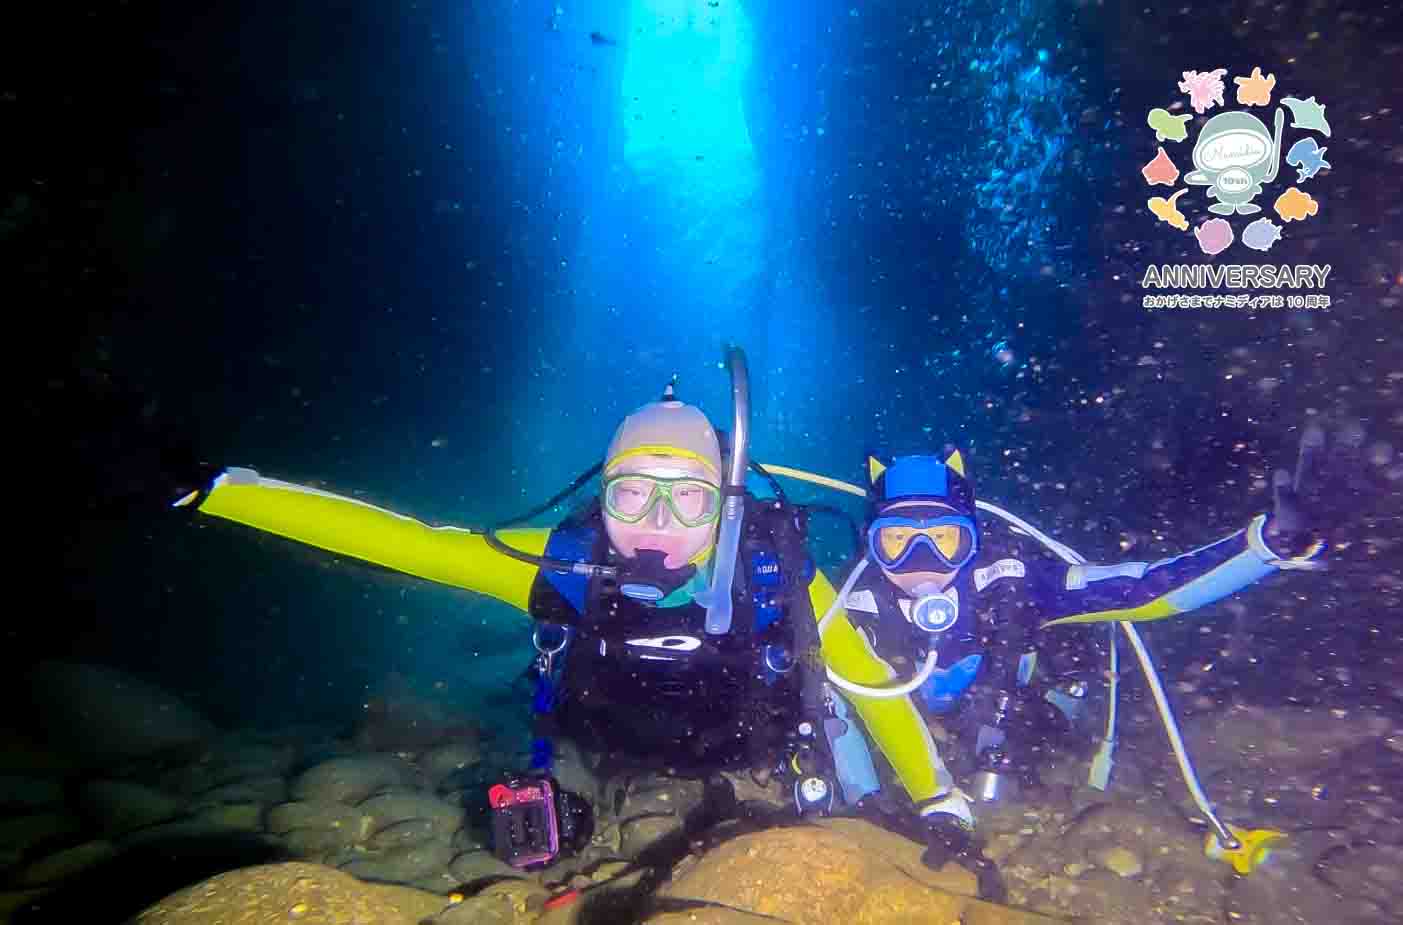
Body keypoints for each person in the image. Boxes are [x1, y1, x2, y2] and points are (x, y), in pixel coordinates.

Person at [174, 354, 968, 885]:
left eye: (688, 498)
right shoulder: (561, 561)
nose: (657, 523)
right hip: (608, 745)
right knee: (540, 813)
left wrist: (938, 797)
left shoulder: (776, 572)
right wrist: (214, 488)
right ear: (601, 495)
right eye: (633, 493)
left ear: (726, 504)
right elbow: (409, 543)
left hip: (751, 751)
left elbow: (869, 683)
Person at [824, 428, 1346, 874]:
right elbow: (829, 703)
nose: (922, 561)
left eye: (944, 539)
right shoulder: (851, 607)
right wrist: (864, 810)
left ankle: (1063, 730)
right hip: (913, 720)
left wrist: (1264, 547)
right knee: (828, 683)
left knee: (1048, 717)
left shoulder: (1013, 583)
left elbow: (1142, 589)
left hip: (1005, 712)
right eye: (897, 542)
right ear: (871, 544)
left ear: (973, 539)